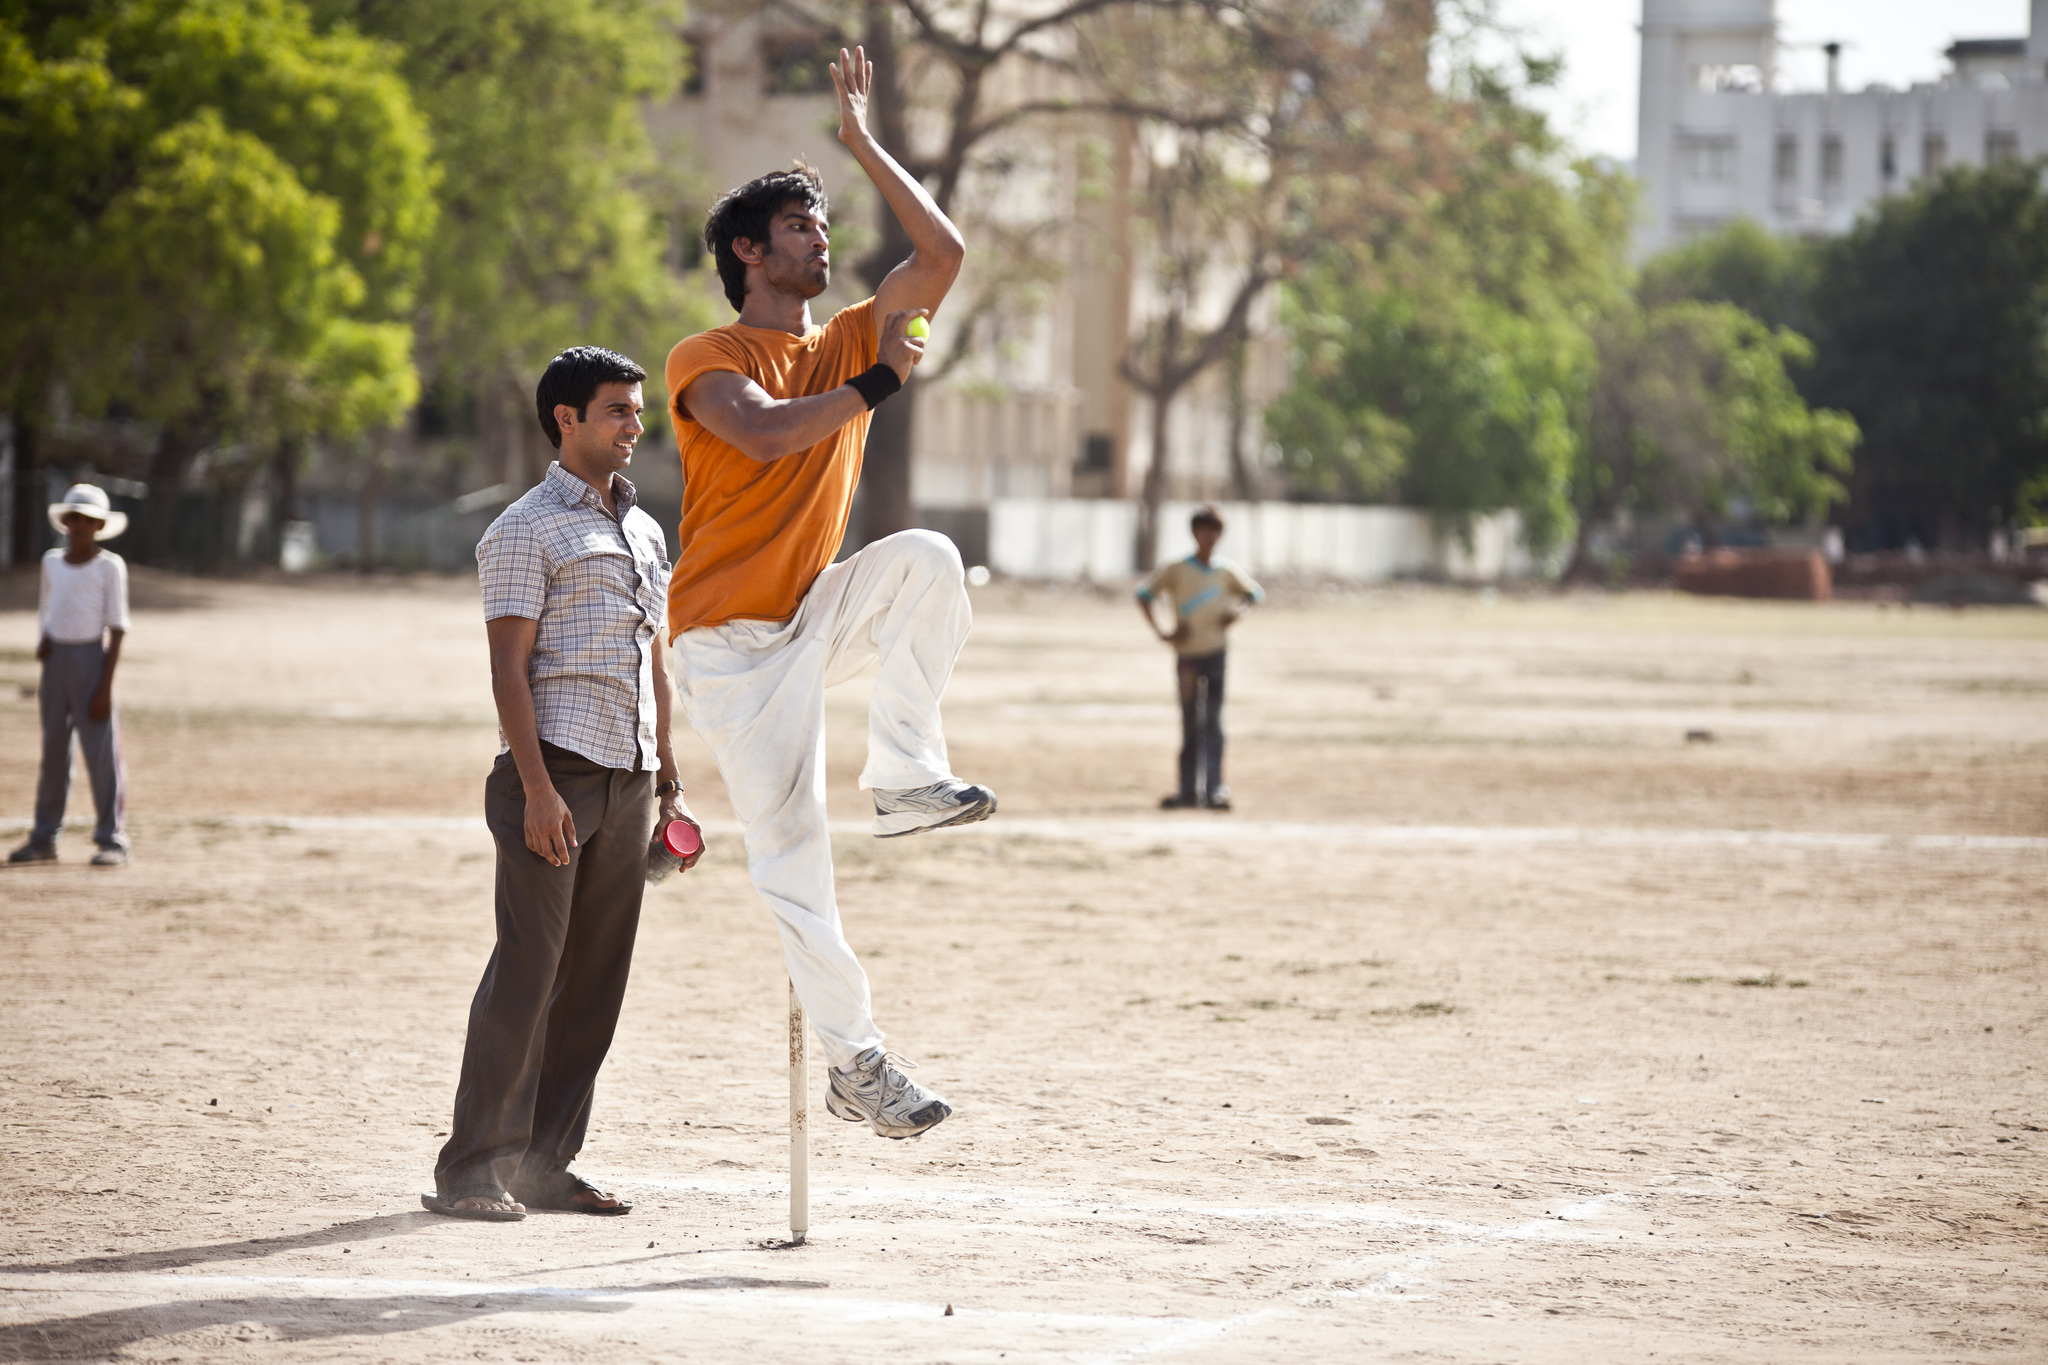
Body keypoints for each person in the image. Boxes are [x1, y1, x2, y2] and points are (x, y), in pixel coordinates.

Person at [662, 46, 983, 1141]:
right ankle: (860, 1064)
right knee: (795, 863)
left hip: (812, 614)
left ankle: (904, 772)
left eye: (821, 224)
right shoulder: (706, 353)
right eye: (799, 226)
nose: (821, 238)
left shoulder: (847, 333)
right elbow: (755, 434)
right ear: (747, 251)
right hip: (727, 648)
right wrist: (878, 383)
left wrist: (861, 143)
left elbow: (941, 251)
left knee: (928, 559)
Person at [424, 347, 702, 1222]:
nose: (634, 424)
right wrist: (540, 792)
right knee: (529, 970)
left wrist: (668, 781)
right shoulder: (524, 528)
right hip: (552, 776)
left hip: (630, 779)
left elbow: (653, 659)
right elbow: (508, 672)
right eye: (617, 409)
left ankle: (545, 1164)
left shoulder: (648, 531)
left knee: (594, 978)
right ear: (566, 420)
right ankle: (471, 1165)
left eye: (637, 409)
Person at [10, 484, 132, 867]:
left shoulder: (109, 567)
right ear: (65, 522)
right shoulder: (51, 562)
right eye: (73, 518)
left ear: (99, 526)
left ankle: (111, 838)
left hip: (91, 660)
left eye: (88, 520)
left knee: (100, 754)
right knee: (53, 753)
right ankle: (45, 836)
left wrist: (104, 687)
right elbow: (47, 607)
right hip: (56, 661)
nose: (79, 526)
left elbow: (118, 626)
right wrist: (43, 640)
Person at [1136, 504, 1264, 811]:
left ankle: (1215, 789)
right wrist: (1163, 632)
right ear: (1195, 533)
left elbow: (1254, 595)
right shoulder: (1178, 569)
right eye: (1204, 530)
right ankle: (1187, 790)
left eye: (1215, 531)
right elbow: (1144, 595)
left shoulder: (1226, 570)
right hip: (1188, 657)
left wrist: (1237, 613)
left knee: (1215, 724)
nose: (1209, 536)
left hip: (1216, 654)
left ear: (1219, 535)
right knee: (1191, 723)